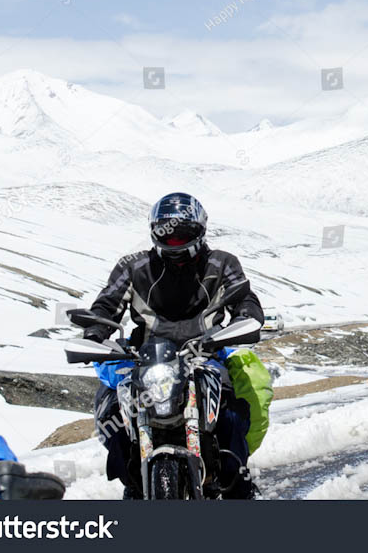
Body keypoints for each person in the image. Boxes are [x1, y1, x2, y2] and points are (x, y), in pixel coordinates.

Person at [84, 192, 264, 499]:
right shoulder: (133, 267)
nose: (176, 240)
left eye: (184, 233)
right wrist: (94, 332)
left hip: (204, 356)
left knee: (232, 411)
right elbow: (106, 305)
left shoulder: (222, 263)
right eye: (170, 232)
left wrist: (245, 318)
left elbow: (244, 298)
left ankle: (235, 479)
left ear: (200, 229)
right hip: (146, 360)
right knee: (113, 407)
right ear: (155, 231)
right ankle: (132, 477)